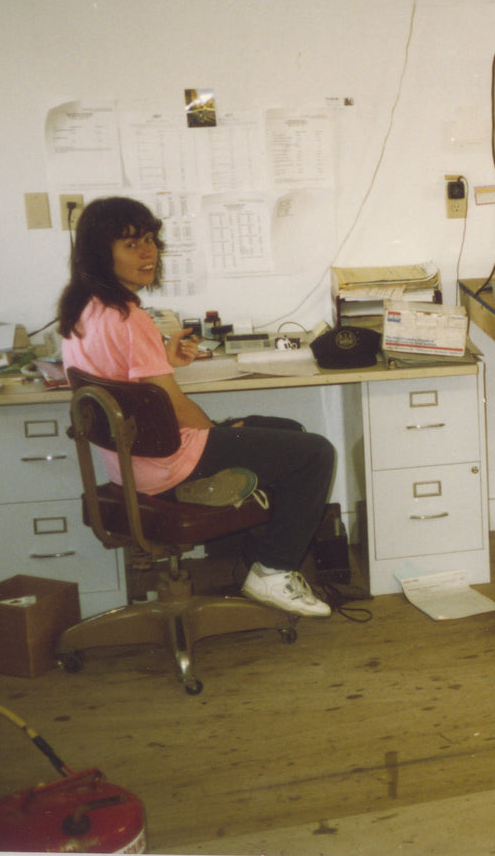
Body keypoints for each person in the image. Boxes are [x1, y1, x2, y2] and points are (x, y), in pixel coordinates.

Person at [57, 196, 334, 617]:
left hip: (132, 463)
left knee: (285, 430)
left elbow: (130, 383)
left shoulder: (82, 311)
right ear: (100, 251)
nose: (148, 253)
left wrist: (163, 360)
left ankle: (251, 560)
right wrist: (216, 431)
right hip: (168, 462)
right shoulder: (131, 318)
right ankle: (272, 571)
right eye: (131, 244)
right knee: (315, 453)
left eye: (150, 240)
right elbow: (169, 400)